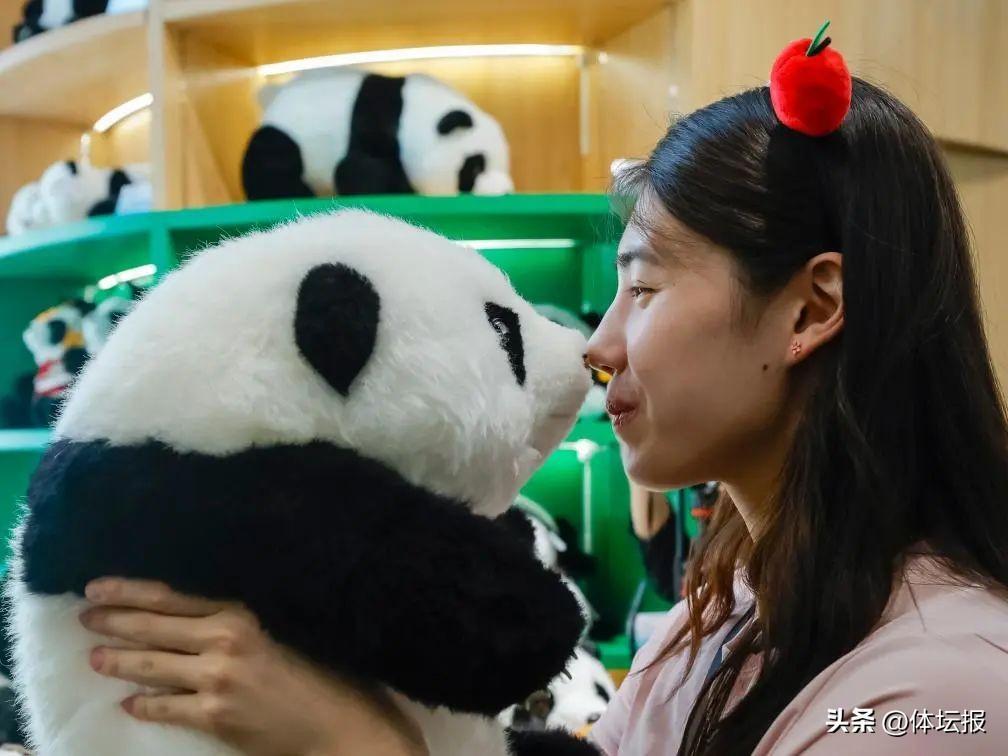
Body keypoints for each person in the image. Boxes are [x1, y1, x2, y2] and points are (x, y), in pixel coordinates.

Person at [75, 66, 1008, 756]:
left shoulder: (941, 692)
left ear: (809, 311)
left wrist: (345, 740)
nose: (599, 345)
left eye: (644, 288)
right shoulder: (728, 611)